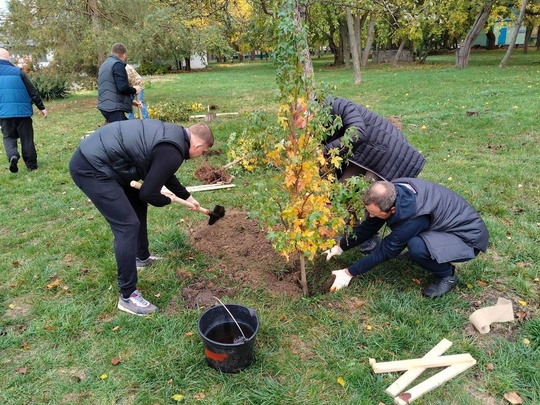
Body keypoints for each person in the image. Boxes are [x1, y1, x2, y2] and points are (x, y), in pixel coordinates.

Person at [69, 119, 214, 315]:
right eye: (202, 152)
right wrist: (167, 201)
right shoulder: (173, 151)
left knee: (137, 204)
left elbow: (164, 173)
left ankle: (141, 257)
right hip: (91, 168)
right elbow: (149, 193)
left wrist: (186, 196)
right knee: (127, 225)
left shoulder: (174, 137)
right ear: (197, 145)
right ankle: (127, 296)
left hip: (111, 163)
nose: (200, 156)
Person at [325, 178, 489, 298]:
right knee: (410, 240)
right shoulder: (391, 192)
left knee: (416, 246)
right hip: (442, 225)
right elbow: (369, 227)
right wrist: (340, 246)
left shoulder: (414, 218)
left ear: (393, 209)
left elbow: (385, 251)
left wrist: (348, 273)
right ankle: (430, 250)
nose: (371, 216)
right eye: (369, 211)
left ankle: (447, 274)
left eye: (375, 213)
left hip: (467, 237)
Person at [0, 48, 47, 173]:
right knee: (27, 138)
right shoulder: (18, 72)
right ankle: (31, 165)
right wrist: (41, 107)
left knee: (8, 137)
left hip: (4, 113)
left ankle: (13, 156)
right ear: (8, 58)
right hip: (23, 112)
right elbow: (32, 91)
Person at [97, 43, 141, 123]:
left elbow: (111, 88)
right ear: (124, 55)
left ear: (112, 52)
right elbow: (122, 87)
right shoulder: (117, 64)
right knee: (125, 132)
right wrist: (135, 90)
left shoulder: (105, 64)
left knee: (121, 130)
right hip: (113, 108)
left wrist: (130, 101)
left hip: (106, 105)